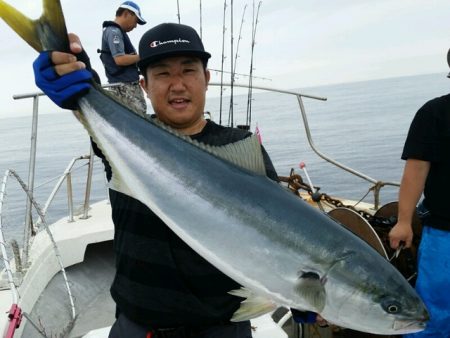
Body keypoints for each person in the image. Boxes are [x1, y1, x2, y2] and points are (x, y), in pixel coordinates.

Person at [33, 23, 324, 338]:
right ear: (144, 86)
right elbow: (100, 117)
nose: (177, 85)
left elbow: (278, 232)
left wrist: (296, 290)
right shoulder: (125, 139)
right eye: (162, 74)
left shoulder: (240, 147)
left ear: (206, 79)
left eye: (188, 71)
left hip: (222, 328)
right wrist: (78, 78)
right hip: (139, 328)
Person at [388, 51, 450, 338]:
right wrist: (403, 221)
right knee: (434, 315)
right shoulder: (434, 113)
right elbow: (416, 170)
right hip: (445, 234)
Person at [99, 1, 147, 116]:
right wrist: (144, 56)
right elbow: (119, 59)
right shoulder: (113, 32)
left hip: (127, 85)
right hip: (124, 87)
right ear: (126, 14)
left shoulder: (116, 32)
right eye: (136, 21)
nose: (135, 26)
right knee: (137, 118)